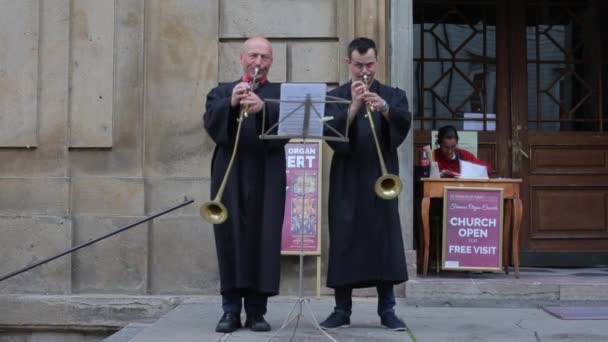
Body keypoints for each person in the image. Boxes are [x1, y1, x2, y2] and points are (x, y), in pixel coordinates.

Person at [321, 37, 411, 331]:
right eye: (359, 65)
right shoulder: (335, 95)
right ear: (348, 63)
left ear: (377, 62)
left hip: (380, 176)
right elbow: (329, 131)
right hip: (347, 176)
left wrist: (384, 108)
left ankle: (387, 310)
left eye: (369, 64)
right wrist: (354, 106)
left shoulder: (393, 95)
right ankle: (341, 309)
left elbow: (402, 125)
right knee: (345, 239)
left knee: (383, 239)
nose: (365, 71)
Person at [203, 36, 287, 333]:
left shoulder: (279, 93)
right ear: (242, 59)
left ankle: (256, 311)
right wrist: (232, 103)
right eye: (253, 56)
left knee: (263, 239)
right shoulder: (221, 91)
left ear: (271, 62)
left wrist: (264, 109)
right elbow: (212, 127)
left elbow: (285, 131)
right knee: (231, 237)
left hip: (268, 172)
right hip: (231, 173)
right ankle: (229, 310)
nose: (258, 62)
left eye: (264, 57)